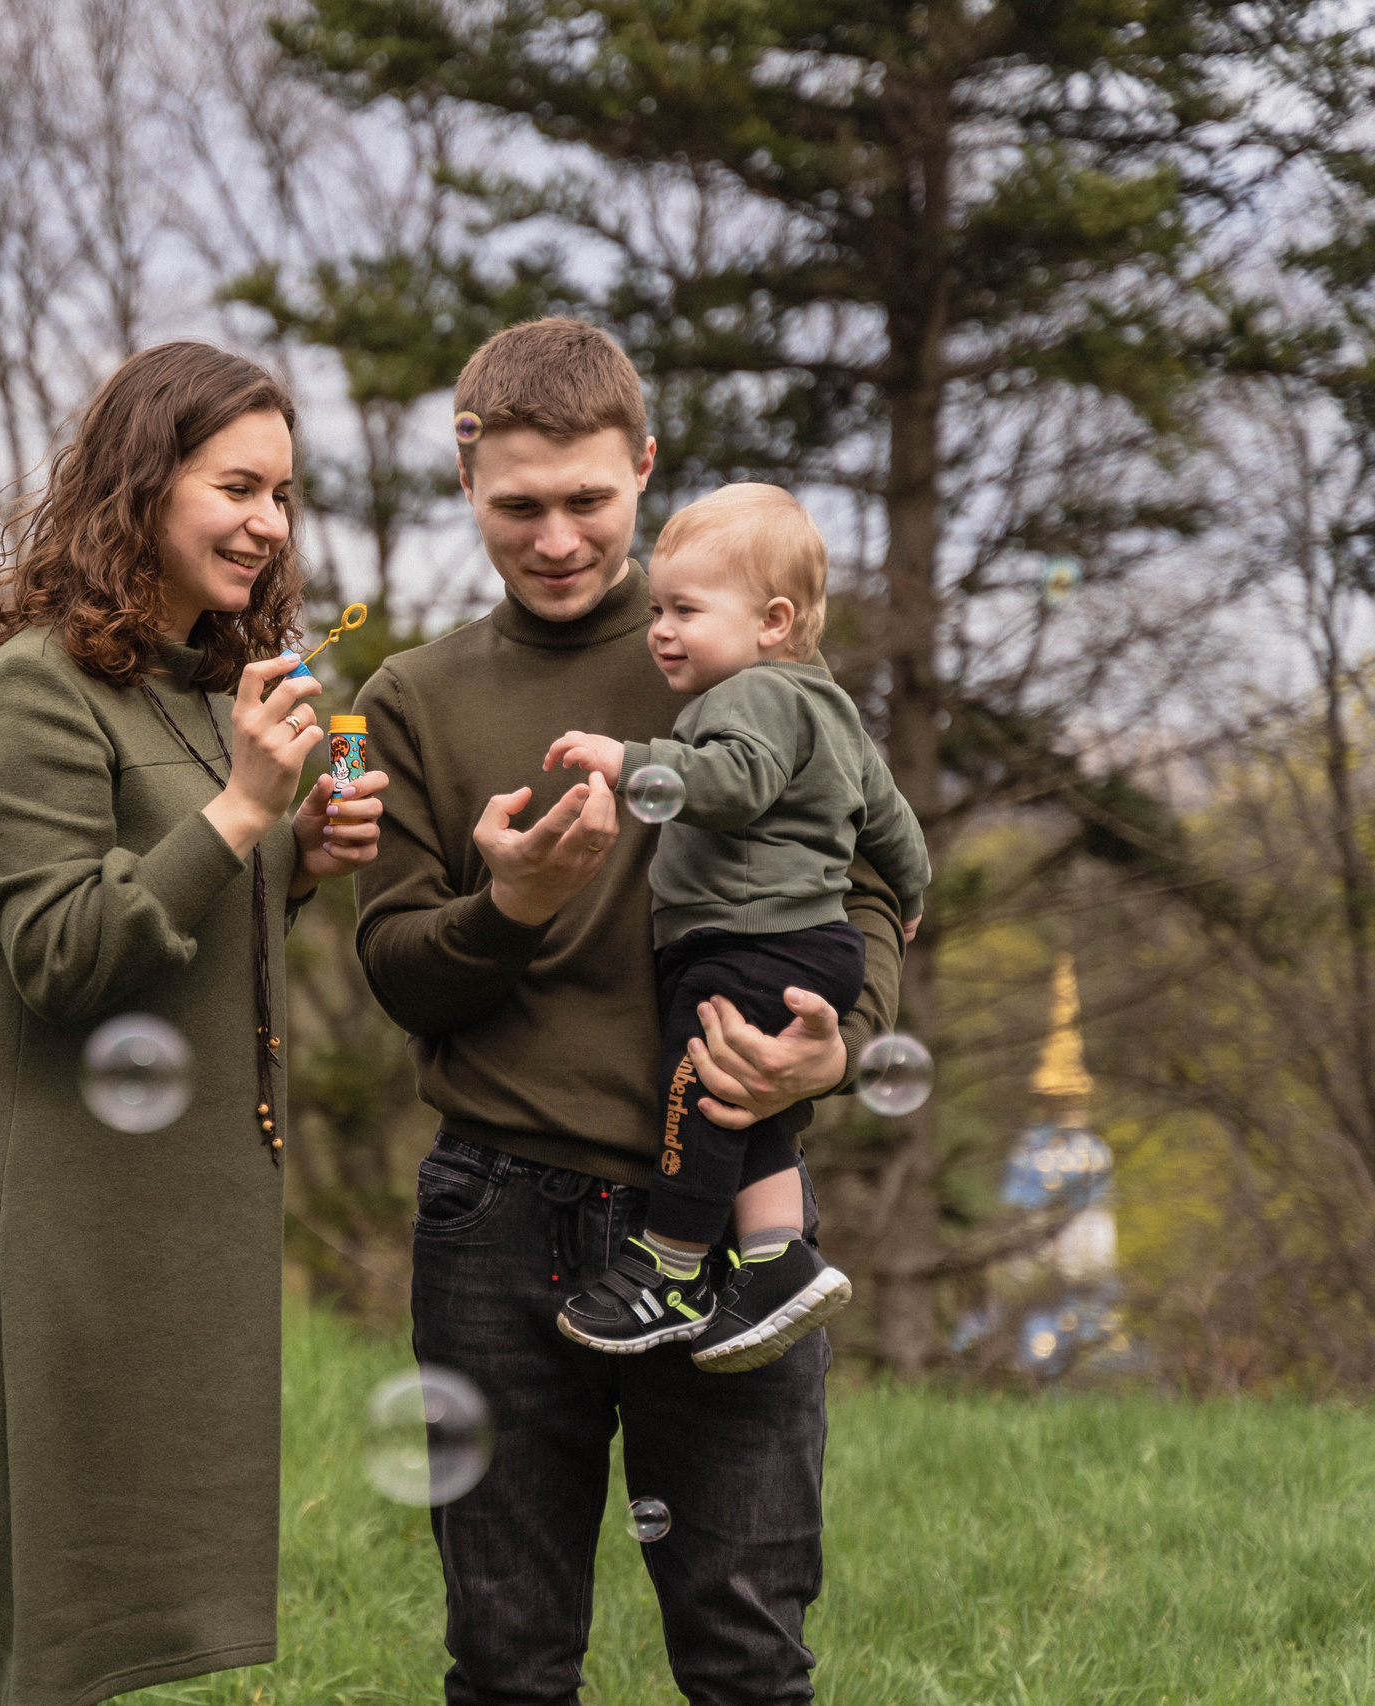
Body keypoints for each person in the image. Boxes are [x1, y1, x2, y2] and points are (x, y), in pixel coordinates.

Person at [0, 341, 388, 1706]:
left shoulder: (187, 693)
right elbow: (66, 955)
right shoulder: (35, 692)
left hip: (122, 1214)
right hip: (22, 1219)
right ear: (143, 483)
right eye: (237, 484)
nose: (271, 523)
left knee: (66, 1629)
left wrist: (290, 859)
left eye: (285, 495)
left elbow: (166, 916)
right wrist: (243, 811)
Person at [351, 319, 905, 1706]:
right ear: (466, 478)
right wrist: (513, 903)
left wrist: (838, 1034)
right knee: (508, 1652)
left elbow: (877, 880)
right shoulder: (414, 698)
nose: (555, 538)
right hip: (496, 1213)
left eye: (590, 501)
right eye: (517, 506)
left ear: (643, 469)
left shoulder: (757, 666)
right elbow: (400, 966)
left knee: (746, 1645)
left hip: (719, 1210)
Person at [540, 483, 929, 1370]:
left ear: (773, 620)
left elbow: (733, 784)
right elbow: (894, 822)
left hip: (749, 944)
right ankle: (774, 1261)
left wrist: (629, 757)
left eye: (685, 609)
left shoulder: (751, 698)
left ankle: (672, 1272)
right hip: (815, 943)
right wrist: (910, 894)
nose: (660, 630)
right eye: (656, 610)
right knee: (749, 1106)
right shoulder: (833, 710)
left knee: (695, 1085)